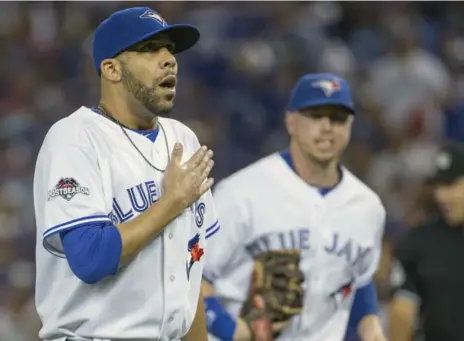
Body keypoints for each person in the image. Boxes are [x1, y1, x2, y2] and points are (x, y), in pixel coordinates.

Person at [33, 7, 220, 341]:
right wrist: (172, 202)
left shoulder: (184, 139)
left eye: (171, 50)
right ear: (112, 69)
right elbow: (91, 259)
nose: (169, 60)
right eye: (150, 49)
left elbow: (190, 275)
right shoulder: (74, 138)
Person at [201, 73, 387, 341]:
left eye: (337, 118)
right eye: (315, 115)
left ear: (350, 125)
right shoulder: (241, 192)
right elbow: (192, 276)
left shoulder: (368, 207)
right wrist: (228, 330)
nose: (326, 127)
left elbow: (359, 280)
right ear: (291, 121)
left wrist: (372, 330)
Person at [389, 141, 464, 341]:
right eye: (438, 186)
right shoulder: (419, 241)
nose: (440, 196)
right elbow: (402, 313)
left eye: (450, 186)